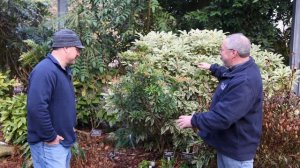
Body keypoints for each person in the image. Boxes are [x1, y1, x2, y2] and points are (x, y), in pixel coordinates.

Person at [176, 33, 263, 168]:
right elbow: (228, 75)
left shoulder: (245, 82)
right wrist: (212, 67)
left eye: (221, 49)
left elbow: (222, 117)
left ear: (233, 53)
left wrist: (193, 120)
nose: (219, 53)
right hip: (229, 146)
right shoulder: (242, 69)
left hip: (236, 154)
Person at [26, 29, 84, 168]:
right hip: (49, 146)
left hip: (59, 145)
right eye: (77, 49)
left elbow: (59, 105)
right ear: (65, 47)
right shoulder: (45, 71)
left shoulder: (61, 71)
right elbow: (36, 108)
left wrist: (67, 127)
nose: (79, 53)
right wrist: (50, 136)